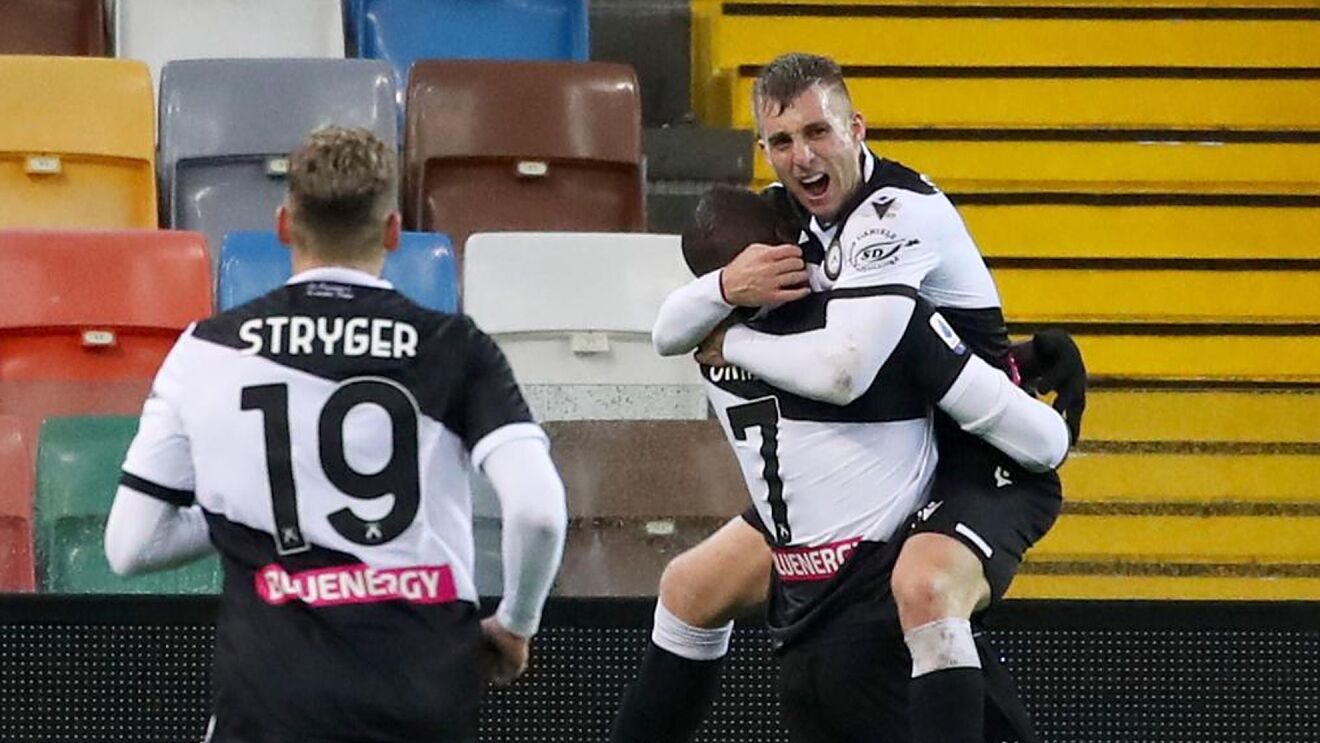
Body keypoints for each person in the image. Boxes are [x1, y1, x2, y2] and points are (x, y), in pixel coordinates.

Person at [611, 53, 1085, 743]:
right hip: (910, 431)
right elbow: (665, 329)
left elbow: (846, 370)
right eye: (780, 142)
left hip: (984, 454)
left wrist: (731, 342)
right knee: (690, 586)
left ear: (856, 128)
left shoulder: (893, 212)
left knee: (923, 586)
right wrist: (722, 291)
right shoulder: (799, 224)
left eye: (818, 132)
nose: (801, 156)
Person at [103, 127, 567, 743]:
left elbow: (130, 547)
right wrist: (515, 623)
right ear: (394, 231)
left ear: (283, 224)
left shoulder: (204, 349)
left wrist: (247, 510)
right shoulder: (458, 347)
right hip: (421, 691)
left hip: (271, 698)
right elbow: (538, 513)